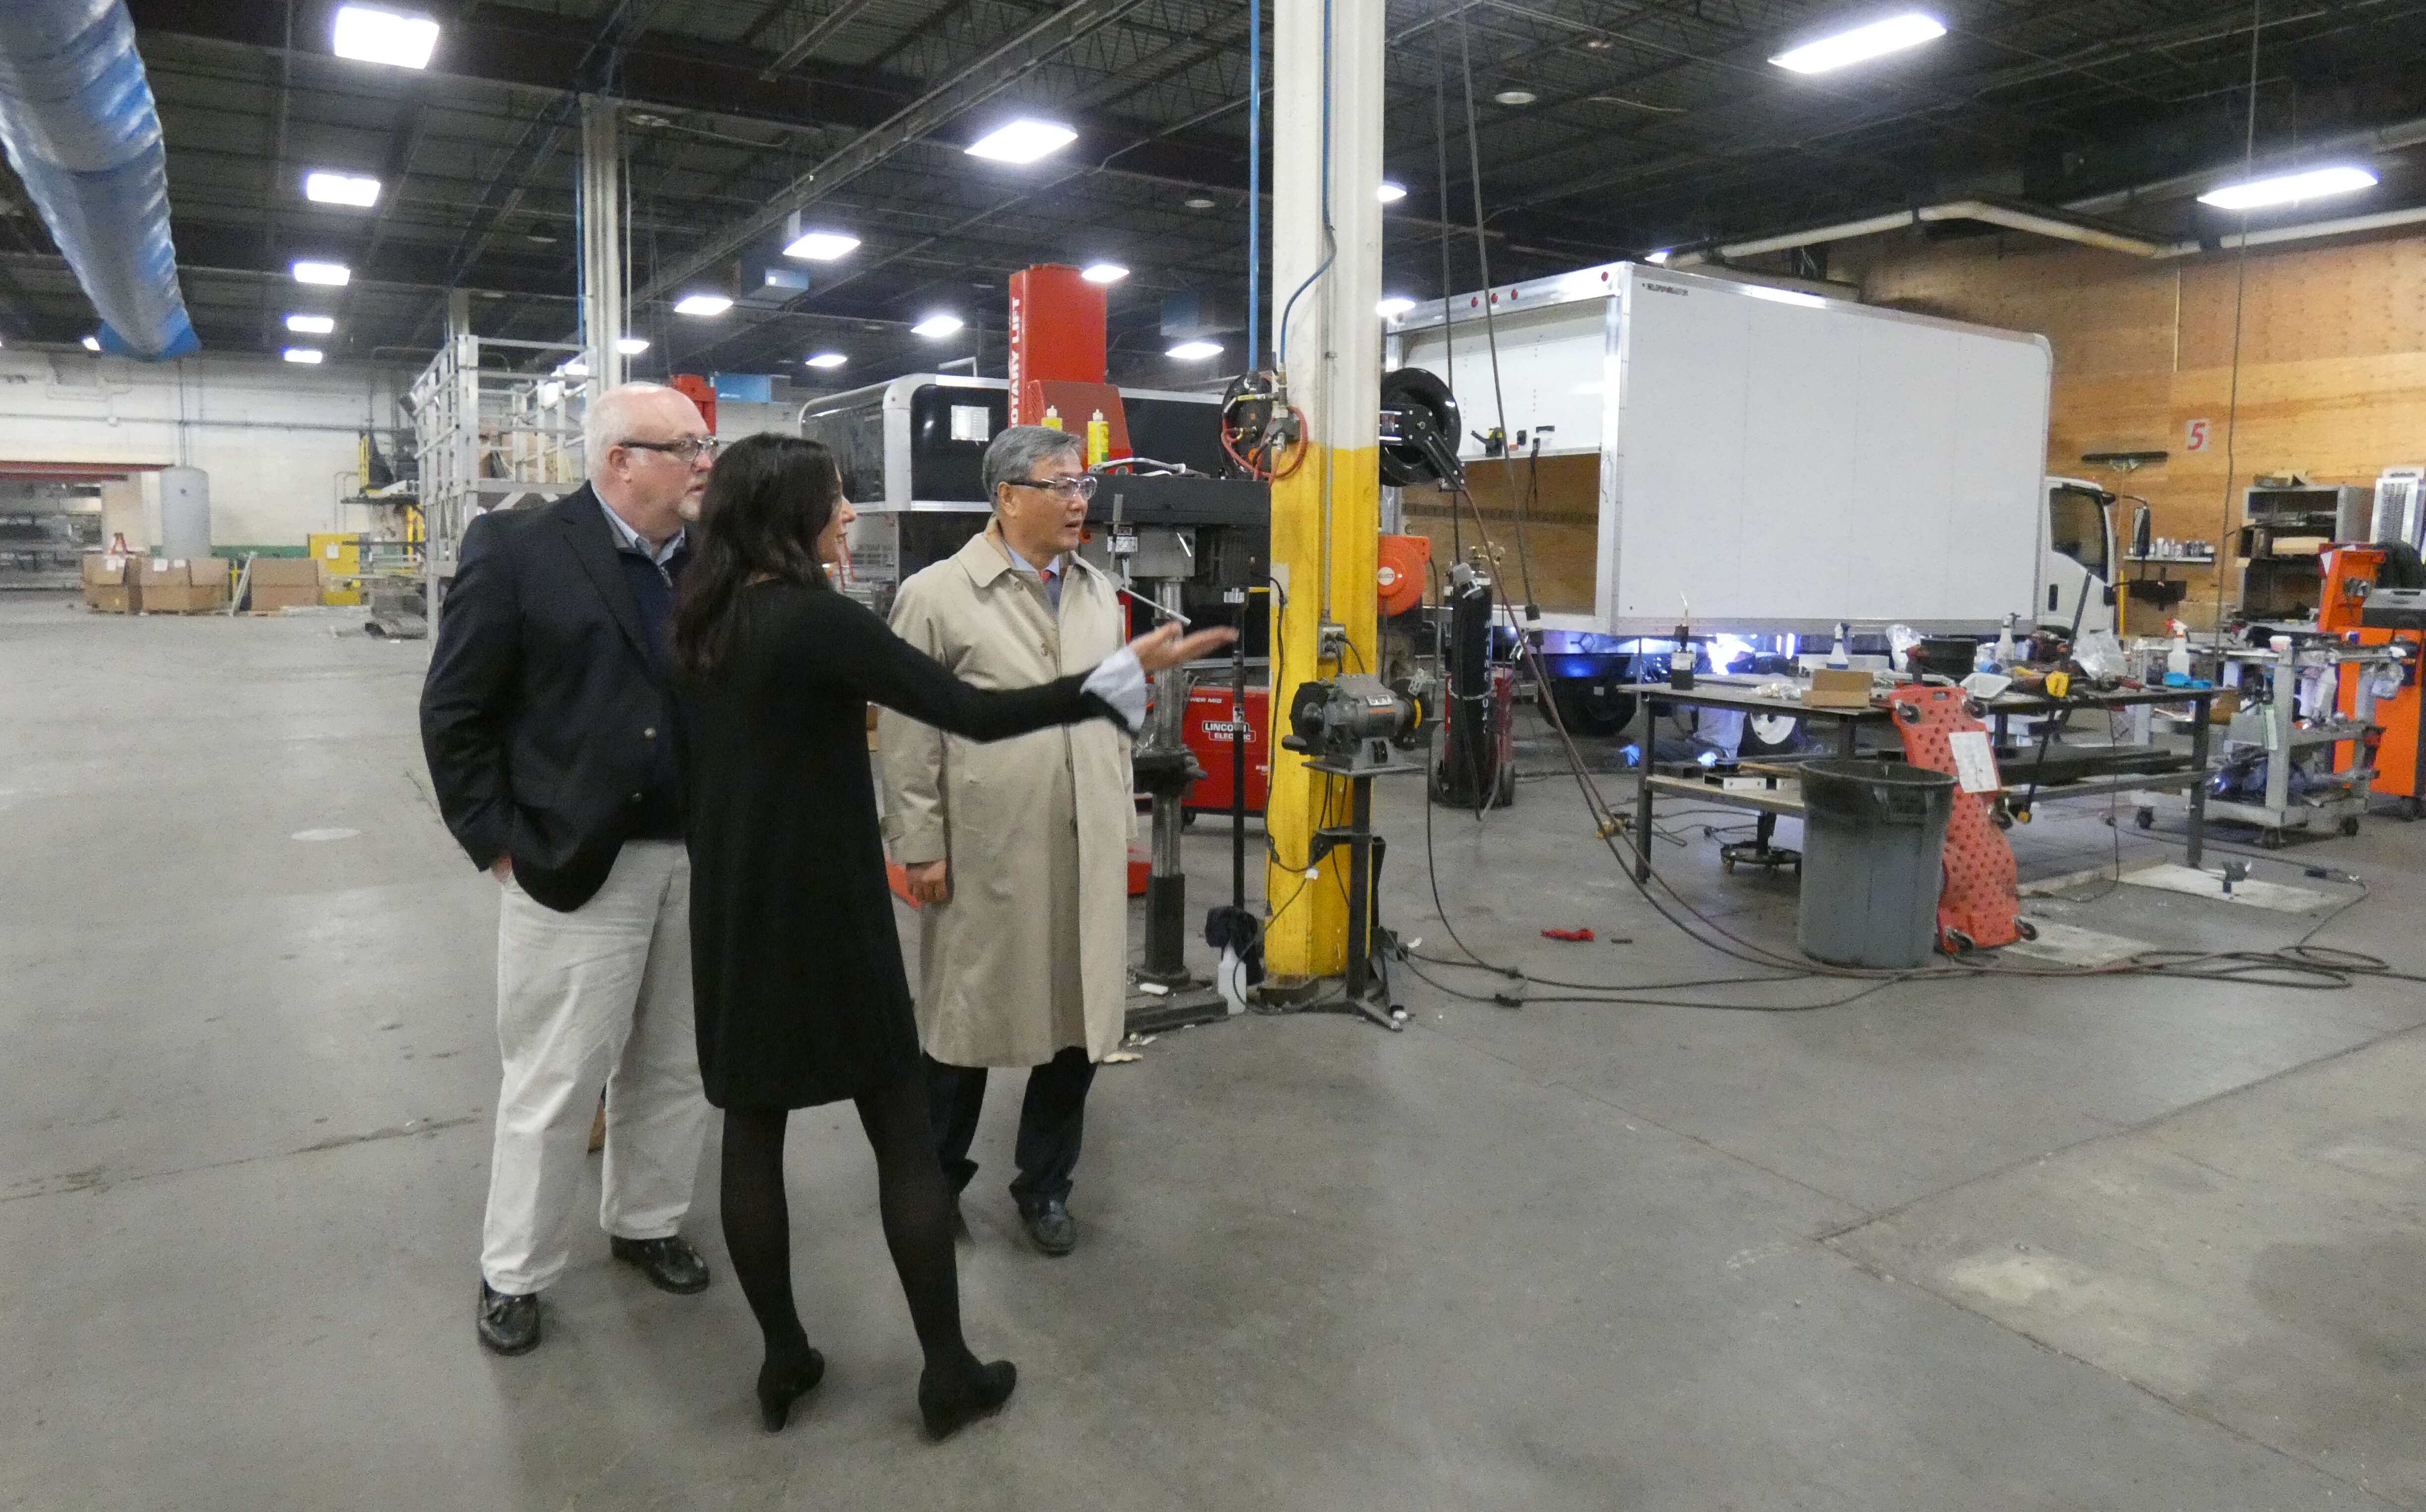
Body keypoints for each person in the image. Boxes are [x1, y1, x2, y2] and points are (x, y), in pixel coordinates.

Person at [671, 433, 1230, 1437]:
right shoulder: (818, 623)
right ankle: (946, 1370)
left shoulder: (701, 624)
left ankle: (785, 1357)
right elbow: (967, 711)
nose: (848, 517)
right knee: (901, 1141)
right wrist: (1107, 683)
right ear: (790, 516)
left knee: (751, 1134)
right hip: (833, 915)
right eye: (835, 502)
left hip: (734, 911)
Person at [420, 382, 721, 1356]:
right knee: (555, 1081)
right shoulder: (521, 549)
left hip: (698, 854)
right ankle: (516, 1271)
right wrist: (495, 836)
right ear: (620, 459)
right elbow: (455, 708)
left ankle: (646, 1220)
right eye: (686, 447)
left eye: (706, 444)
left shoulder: (716, 558)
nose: (705, 463)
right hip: (575, 861)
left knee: (675, 1065)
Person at [881, 425, 1134, 1257]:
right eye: (1061, 484)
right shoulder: (937, 595)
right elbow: (910, 732)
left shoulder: (1100, 590)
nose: (1077, 500)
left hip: (1085, 843)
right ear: (1007, 496)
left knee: (1079, 1025)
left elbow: (1122, 707)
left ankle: (1046, 1185)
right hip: (990, 848)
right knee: (965, 1025)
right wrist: (920, 843)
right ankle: (934, 1179)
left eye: (1084, 484)